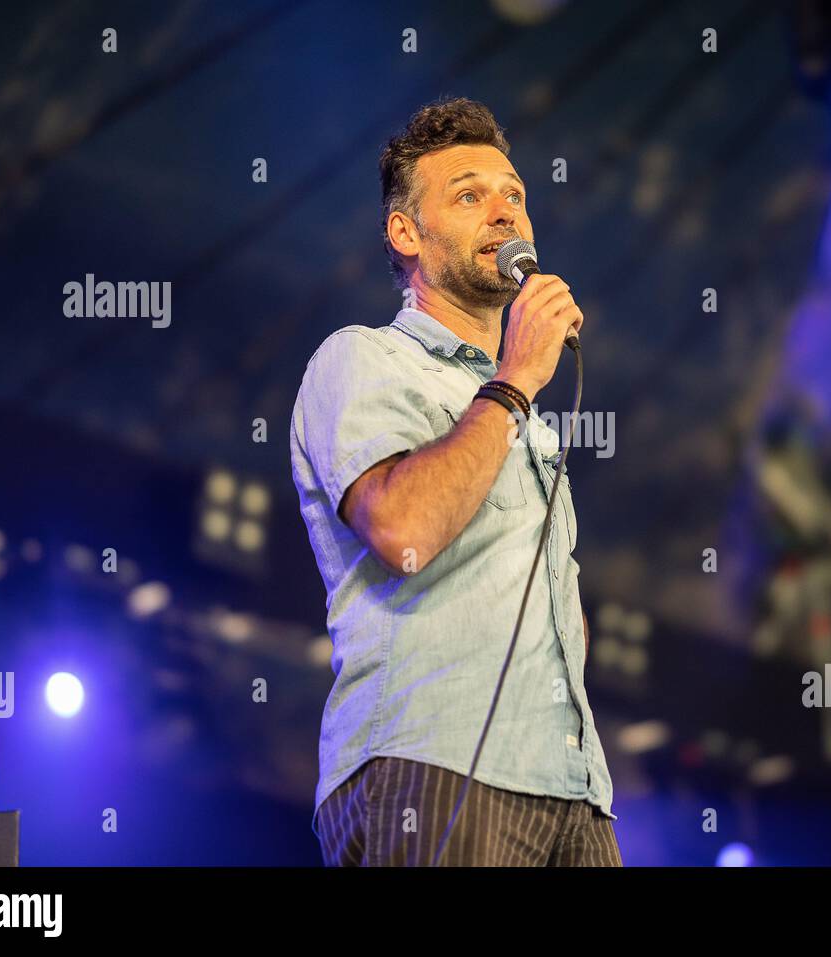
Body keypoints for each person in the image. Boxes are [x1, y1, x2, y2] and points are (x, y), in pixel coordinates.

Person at [290, 97, 620, 866]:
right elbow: (403, 529)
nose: (504, 213)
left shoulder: (528, 412)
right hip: (433, 762)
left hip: (574, 790)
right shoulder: (363, 359)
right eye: (469, 195)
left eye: (515, 196)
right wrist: (513, 382)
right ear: (406, 233)